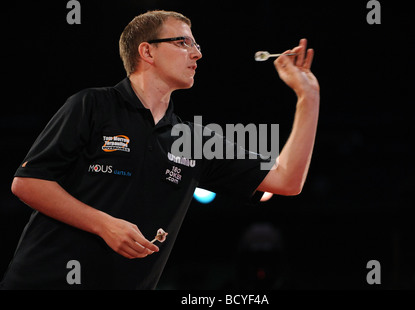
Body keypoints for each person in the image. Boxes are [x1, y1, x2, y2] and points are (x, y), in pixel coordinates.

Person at [1, 10, 319, 289]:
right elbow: (28, 183)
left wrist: (308, 97)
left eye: (197, 45)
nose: (197, 54)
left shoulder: (193, 139)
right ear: (147, 51)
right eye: (183, 43)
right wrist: (105, 225)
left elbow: (286, 181)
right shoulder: (92, 105)